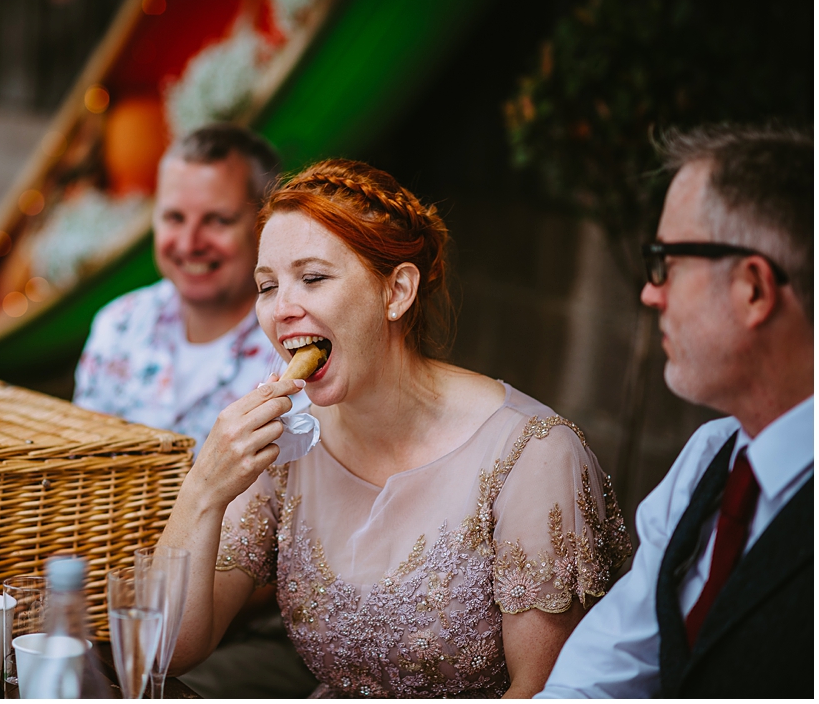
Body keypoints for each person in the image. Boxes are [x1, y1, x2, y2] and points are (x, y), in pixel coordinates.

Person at [157, 158, 632, 697]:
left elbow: (545, 691)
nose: (281, 309)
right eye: (267, 286)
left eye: (312, 278)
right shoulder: (287, 440)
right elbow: (168, 651)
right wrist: (203, 491)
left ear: (397, 292)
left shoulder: (533, 454)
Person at [538, 125, 813, 698]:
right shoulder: (711, 459)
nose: (649, 292)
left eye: (665, 261)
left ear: (754, 289)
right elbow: (606, 669)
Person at [72, 123, 317, 697]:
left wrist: (185, 595)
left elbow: (293, 544)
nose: (190, 241)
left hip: (245, 623)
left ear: (263, 230)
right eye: (174, 218)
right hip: (103, 597)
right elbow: (77, 478)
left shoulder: (296, 350)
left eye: (217, 220)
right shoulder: (117, 324)